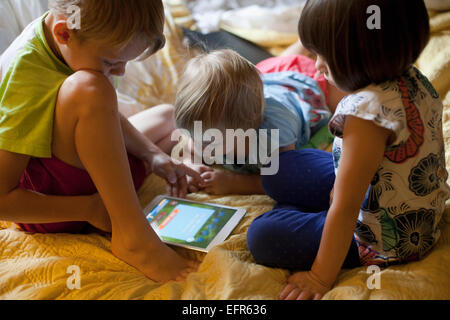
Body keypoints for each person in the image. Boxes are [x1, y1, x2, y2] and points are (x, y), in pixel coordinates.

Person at [246, 0, 450, 300]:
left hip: (385, 238)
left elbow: (345, 209)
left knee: (262, 235)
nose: (317, 65)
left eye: (323, 56)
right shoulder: (411, 77)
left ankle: (310, 218)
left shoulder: (364, 117)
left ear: (358, 57)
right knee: (280, 167)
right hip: (386, 192)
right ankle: (311, 211)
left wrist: (319, 277)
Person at [0, 0, 203, 283]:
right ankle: (131, 235)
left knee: (167, 116)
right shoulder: (23, 75)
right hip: (58, 203)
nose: (119, 73)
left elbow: (101, 113)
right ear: (64, 34)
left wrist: (152, 154)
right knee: (91, 88)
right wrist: (89, 208)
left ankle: (136, 181)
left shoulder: (78, 36)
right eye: (111, 62)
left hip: (89, 179)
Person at [173, 48, 345, 195]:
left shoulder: (273, 137)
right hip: (267, 78)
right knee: (265, 69)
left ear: (246, 130)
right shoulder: (205, 129)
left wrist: (233, 182)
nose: (199, 145)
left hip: (303, 91)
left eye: (208, 140)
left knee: (339, 90)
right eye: (192, 135)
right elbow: (191, 147)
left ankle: (306, 42)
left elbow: (281, 179)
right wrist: (191, 164)